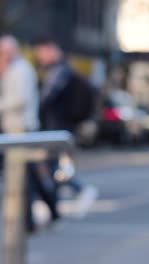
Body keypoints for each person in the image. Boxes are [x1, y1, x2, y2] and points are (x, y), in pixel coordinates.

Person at [0, 35, 60, 232]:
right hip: (14, 131)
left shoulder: (21, 70)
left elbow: (19, 100)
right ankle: (47, 210)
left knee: (24, 177)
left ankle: (29, 220)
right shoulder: (11, 69)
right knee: (29, 176)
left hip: (22, 131)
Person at [33, 36, 97, 217]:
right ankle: (54, 205)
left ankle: (79, 190)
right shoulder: (59, 70)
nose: (40, 57)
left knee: (52, 166)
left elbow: (45, 99)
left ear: (51, 49)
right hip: (60, 128)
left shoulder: (59, 71)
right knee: (54, 167)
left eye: (41, 52)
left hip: (57, 129)